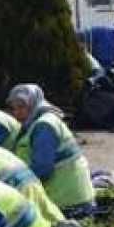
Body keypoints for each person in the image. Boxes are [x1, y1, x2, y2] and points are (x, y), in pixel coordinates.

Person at [7, 84, 95, 217]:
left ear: (33, 104)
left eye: (22, 107)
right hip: (72, 197)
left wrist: (15, 184)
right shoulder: (35, 124)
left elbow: (42, 168)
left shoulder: (44, 127)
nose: (17, 113)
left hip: (67, 202)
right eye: (14, 108)